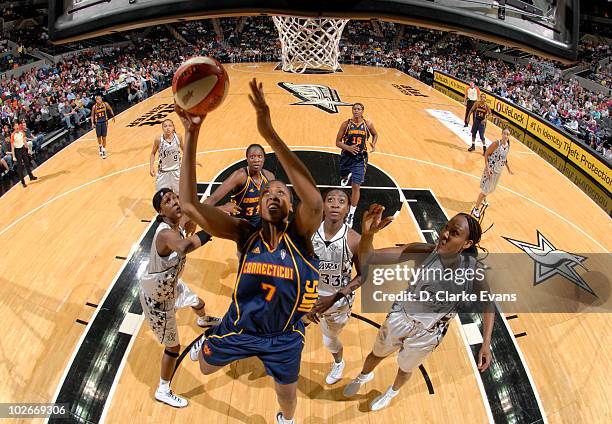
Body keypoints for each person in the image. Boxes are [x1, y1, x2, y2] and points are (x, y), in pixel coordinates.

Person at [178, 79, 323, 424]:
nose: (274, 194)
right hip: (239, 328)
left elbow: (315, 201)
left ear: (291, 206)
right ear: (257, 207)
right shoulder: (245, 234)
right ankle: (210, 342)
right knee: (204, 366)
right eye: (268, 193)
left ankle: (284, 421)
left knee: (287, 396)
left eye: (282, 193)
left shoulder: (301, 236)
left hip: (285, 337)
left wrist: (270, 134)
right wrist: (192, 132)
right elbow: (188, 204)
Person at [343, 204, 494, 411]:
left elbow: (488, 304)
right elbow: (370, 258)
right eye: (447, 228)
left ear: (467, 243)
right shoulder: (423, 251)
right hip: (401, 316)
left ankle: (391, 392)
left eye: (455, 233)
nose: (445, 234)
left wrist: (486, 343)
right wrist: (368, 235)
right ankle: (363, 375)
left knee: (405, 369)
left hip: (429, 333)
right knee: (375, 355)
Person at [140, 188, 221, 408]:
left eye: (175, 197)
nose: (175, 201)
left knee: (198, 303)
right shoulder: (165, 233)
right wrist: (213, 227)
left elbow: (208, 202)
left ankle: (203, 319)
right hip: (158, 299)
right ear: (161, 211)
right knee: (173, 348)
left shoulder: (179, 222)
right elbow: (185, 247)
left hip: (171, 284)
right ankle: (163, 389)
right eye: (168, 200)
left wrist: (222, 209)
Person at [308, 189, 362, 385]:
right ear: (323, 206)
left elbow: (364, 275)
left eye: (341, 201)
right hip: (308, 294)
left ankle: (339, 363)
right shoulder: (309, 232)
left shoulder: (355, 239)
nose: (335, 204)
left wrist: (335, 297)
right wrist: (305, 298)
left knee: (328, 340)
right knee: (291, 326)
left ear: (348, 209)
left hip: (337, 301)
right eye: (330, 200)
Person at [203, 144, 275, 227]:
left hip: (259, 223)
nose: (256, 160)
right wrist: (221, 208)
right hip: (239, 224)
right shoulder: (240, 176)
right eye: (252, 157)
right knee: (203, 235)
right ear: (247, 159)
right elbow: (212, 199)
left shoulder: (269, 177)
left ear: (264, 159)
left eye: (259, 156)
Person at [336, 103, 378, 228]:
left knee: (356, 185)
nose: (356, 111)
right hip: (346, 156)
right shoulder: (346, 124)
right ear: (352, 110)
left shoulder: (368, 124)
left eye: (358, 109)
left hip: (360, 158)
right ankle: (345, 176)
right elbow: (337, 142)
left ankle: (351, 214)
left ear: (362, 111)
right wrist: (348, 147)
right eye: (354, 109)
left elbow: (375, 134)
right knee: (343, 177)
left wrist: (374, 144)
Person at [471, 128, 514, 218]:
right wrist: (487, 168)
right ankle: (476, 208)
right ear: (502, 134)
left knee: (491, 188)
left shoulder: (507, 146)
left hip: (499, 170)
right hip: (491, 169)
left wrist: (508, 168)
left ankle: (484, 199)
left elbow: (504, 158)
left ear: (509, 136)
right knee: (484, 190)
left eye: (508, 134)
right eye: (504, 133)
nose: (506, 135)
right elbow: (486, 154)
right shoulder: (496, 143)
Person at [150, 119, 183, 193]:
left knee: (180, 195)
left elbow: (185, 150)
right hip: (163, 173)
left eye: (170, 126)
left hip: (176, 171)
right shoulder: (158, 139)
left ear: (173, 127)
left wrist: (192, 160)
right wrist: (151, 167)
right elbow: (153, 153)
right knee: (163, 197)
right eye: (165, 126)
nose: (168, 128)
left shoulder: (178, 137)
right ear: (162, 128)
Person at [10, 122, 37, 187]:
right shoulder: (13, 135)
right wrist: (13, 156)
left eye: (17, 125)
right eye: (15, 126)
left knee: (27, 163)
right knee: (20, 167)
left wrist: (28, 149)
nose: (17, 127)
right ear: (13, 127)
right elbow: (12, 147)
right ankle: (23, 182)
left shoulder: (21, 132)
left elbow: (24, 141)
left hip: (22, 148)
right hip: (17, 151)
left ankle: (31, 177)